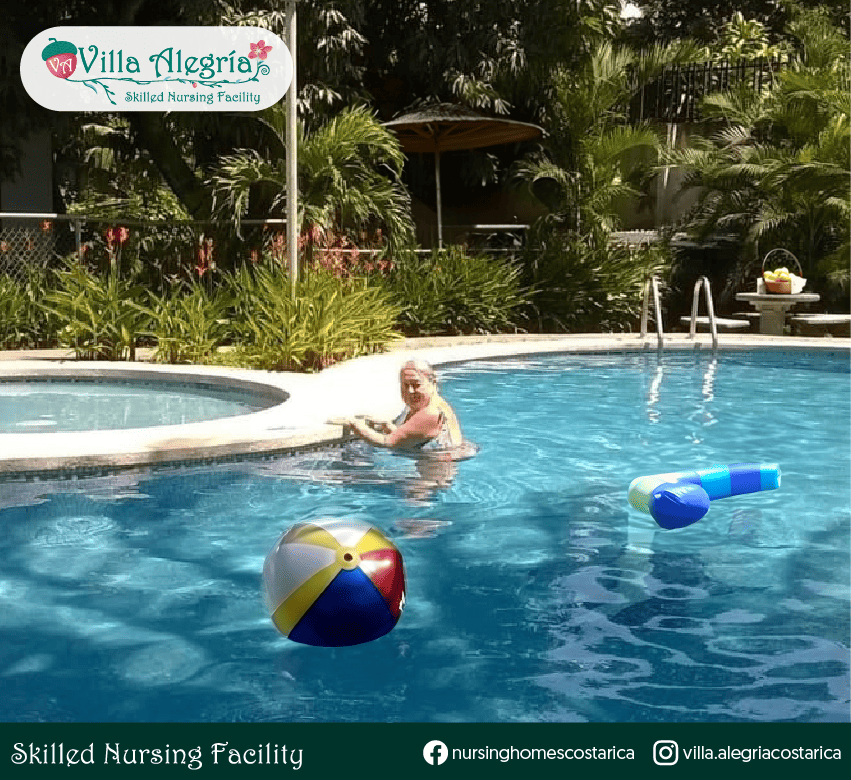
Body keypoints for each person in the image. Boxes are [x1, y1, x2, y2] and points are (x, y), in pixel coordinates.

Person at [345, 359, 464, 453]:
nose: (410, 391)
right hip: (437, 477)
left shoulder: (431, 413)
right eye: (405, 385)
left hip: (431, 480)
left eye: (416, 385)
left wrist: (354, 424)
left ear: (432, 383)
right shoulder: (438, 404)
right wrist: (391, 428)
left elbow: (386, 442)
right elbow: (418, 437)